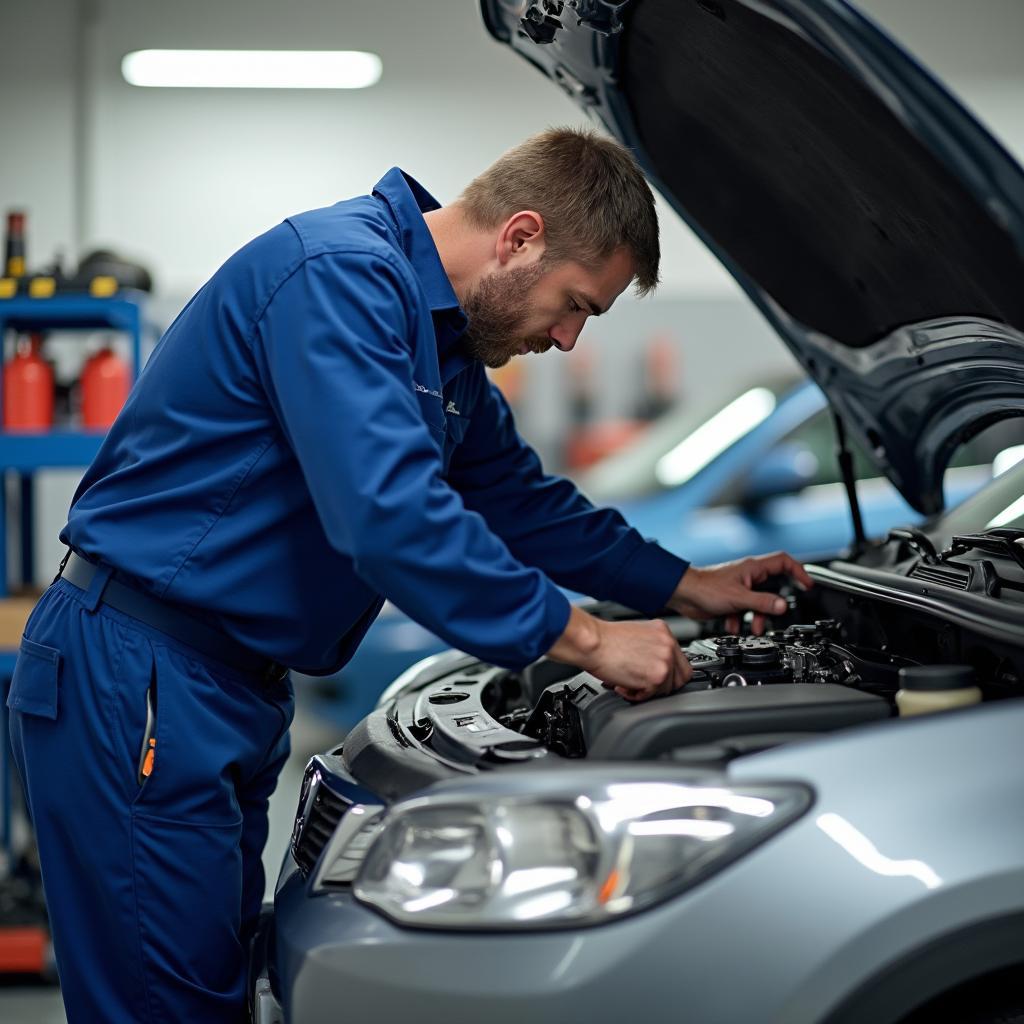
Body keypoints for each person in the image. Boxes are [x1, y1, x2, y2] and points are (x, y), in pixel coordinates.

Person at [7, 127, 812, 1022]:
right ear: (520, 237)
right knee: (163, 1007)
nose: (571, 337)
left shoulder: (446, 341)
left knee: (213, 987)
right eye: (576, 302)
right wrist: (586, 640)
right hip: (145, 673)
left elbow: (519, 500)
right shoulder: (339, 277)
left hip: (224, 686)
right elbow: (387, 517)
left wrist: (685, 584)